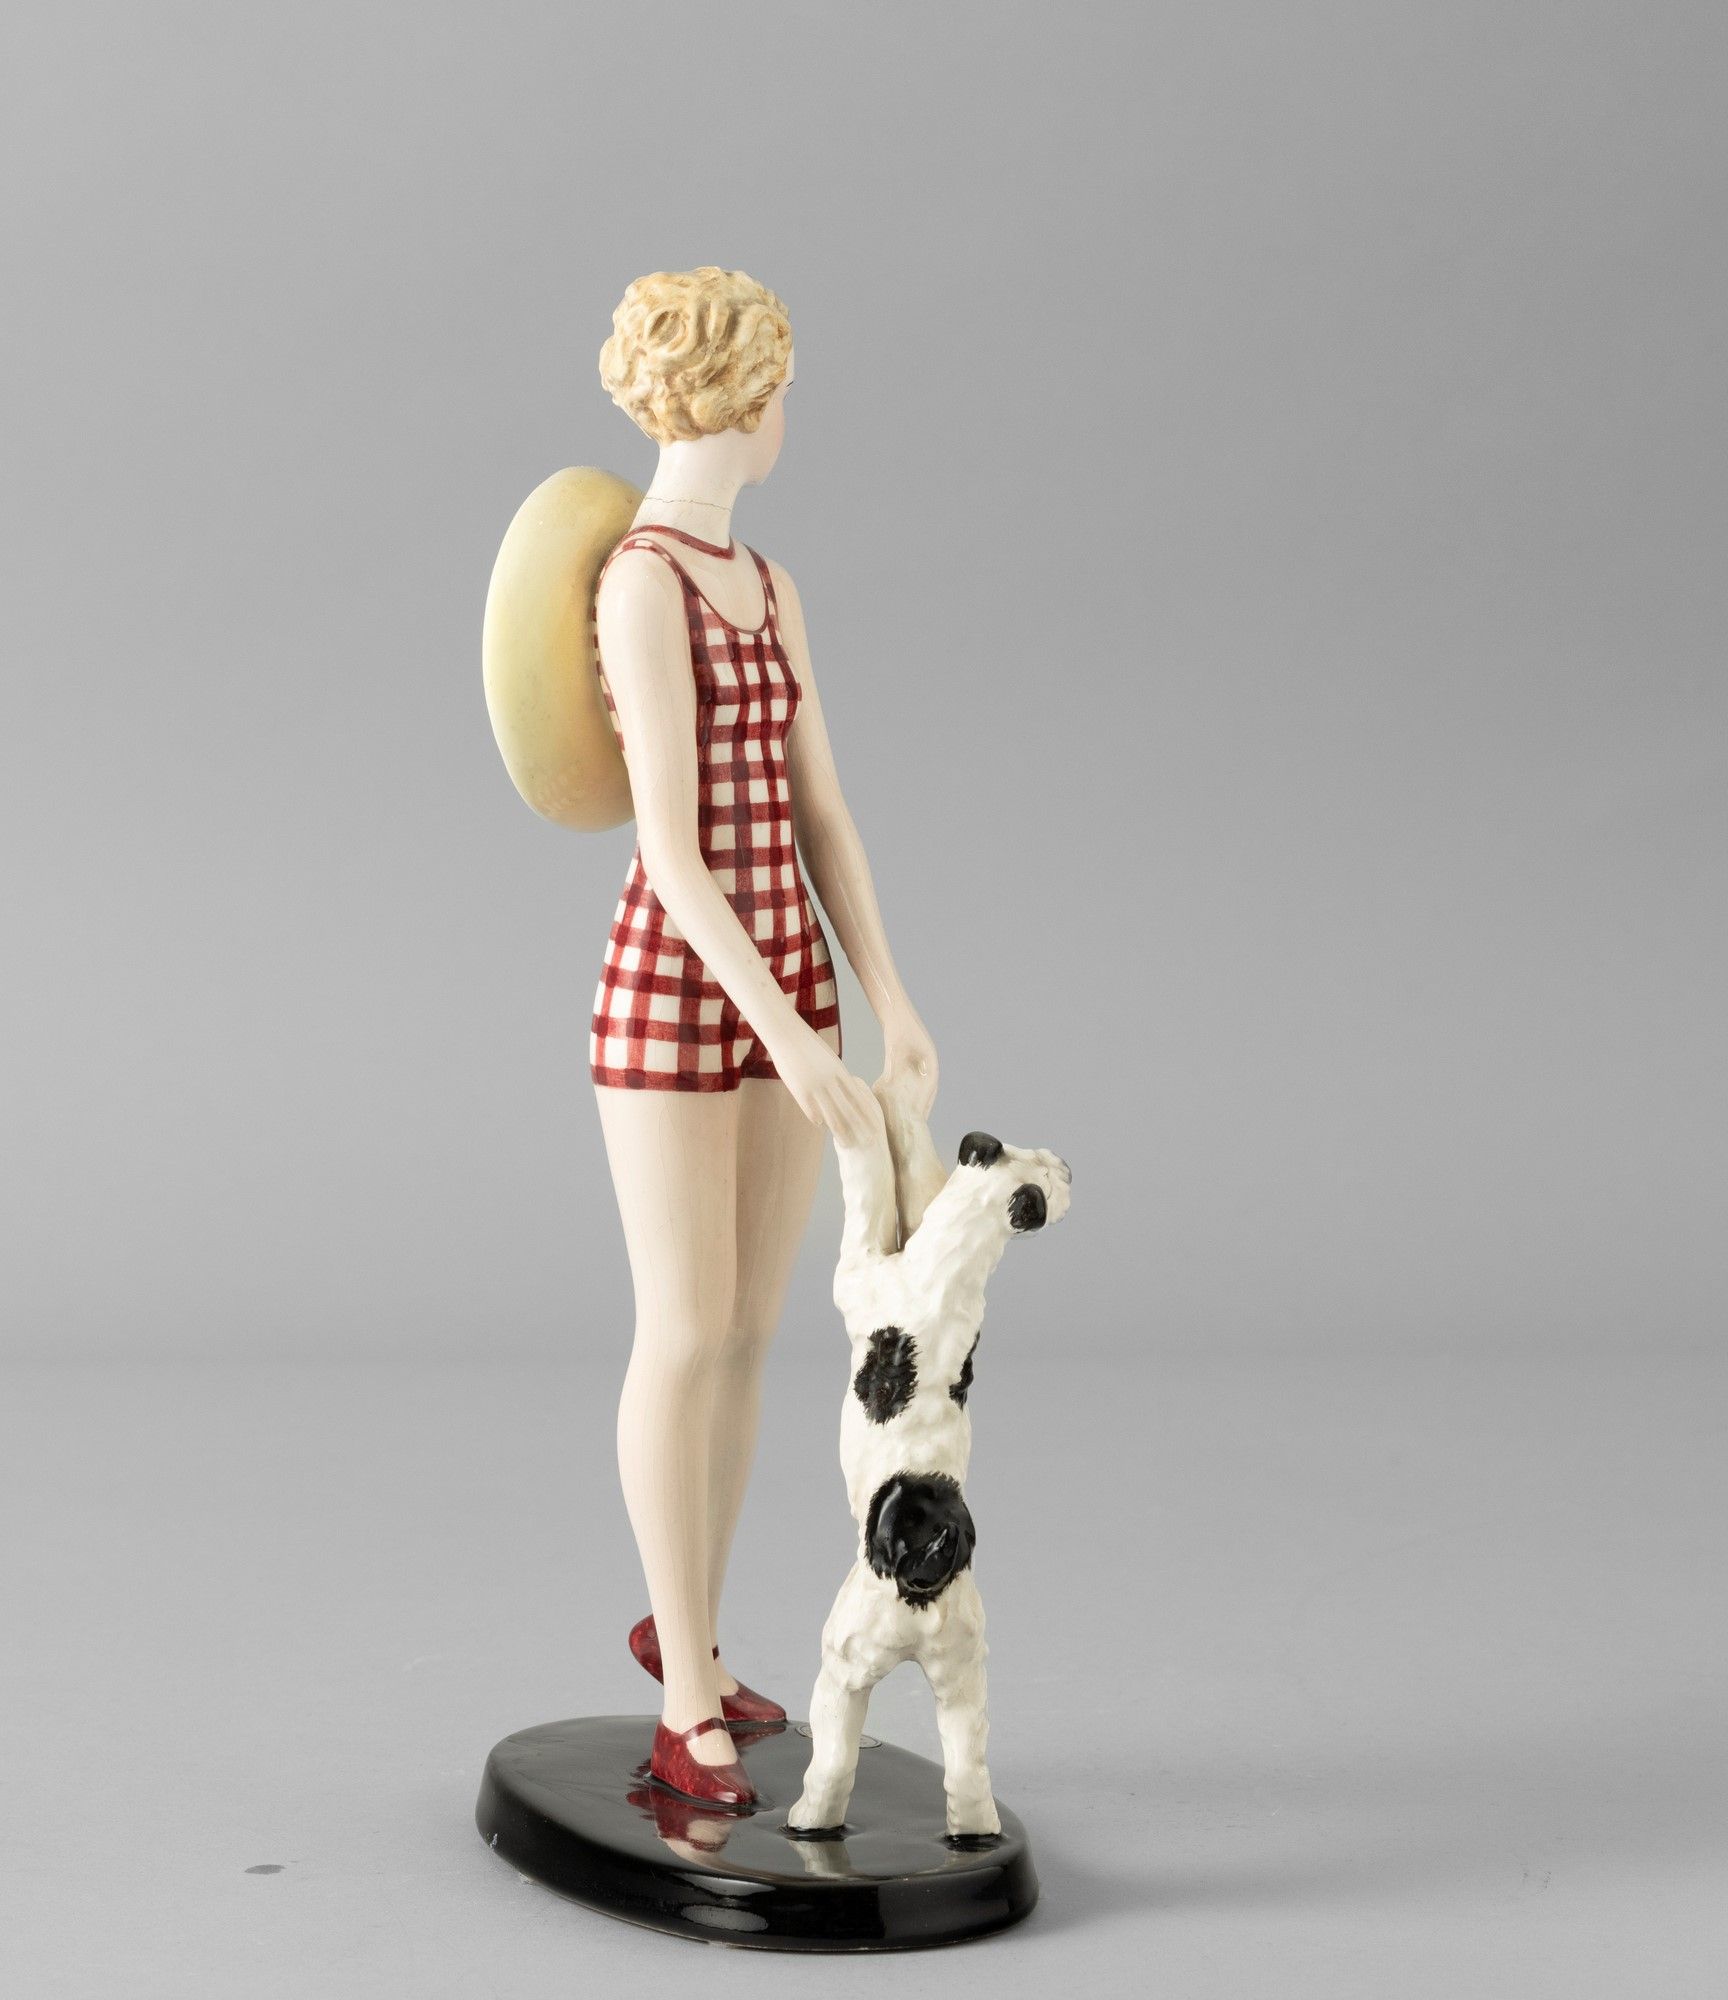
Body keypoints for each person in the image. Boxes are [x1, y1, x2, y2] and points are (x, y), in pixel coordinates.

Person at [589, 267, 938, 1810]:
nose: (789, 407)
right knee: (683, 1328)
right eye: (780, 381)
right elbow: (670, 849)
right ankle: (682, 1692)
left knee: (745, 1332)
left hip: (787, 987)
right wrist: (789, 1032)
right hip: (682, 991)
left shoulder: (771, 586)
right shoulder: (641, 582)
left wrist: (888, 999)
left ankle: (699, 1637)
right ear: (737, 391)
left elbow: (821, 812)